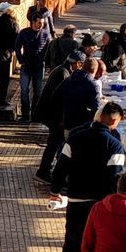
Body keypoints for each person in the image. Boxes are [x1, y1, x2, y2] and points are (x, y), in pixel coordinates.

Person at [51, 100, 126, 252]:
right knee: (95, 246)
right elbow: (115, 177)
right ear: (114, 121)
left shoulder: (75, 137)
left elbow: (60, 167)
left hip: (75, 199)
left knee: (72, 241)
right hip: (100, 204)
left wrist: (55, 190)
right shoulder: (115, 145)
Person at [34, 50, 84, 181]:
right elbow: (59, 99)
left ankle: (47, 169)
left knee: (55, 142)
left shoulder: (63, 70)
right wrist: (61, 119)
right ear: (77, 63)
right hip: (53, 115)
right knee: (54, 142)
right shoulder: (63, 73)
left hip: (52, 114)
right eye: (80, 65)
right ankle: (44, 170)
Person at [14, 13, 50, 123]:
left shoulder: (45, 34)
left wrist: (46, 62)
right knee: (24, 90)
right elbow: (17, 46)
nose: (41, 25)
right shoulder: (24, 33)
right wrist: (21, 59)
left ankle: (35, 114)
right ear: (33, 22)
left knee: (38, 91)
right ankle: (26, 115)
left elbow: (49, 49)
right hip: (26, 65)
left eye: (43, 23)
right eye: (39, 23)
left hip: (39, 66)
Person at [60, 56, 102, 133]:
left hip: (67, 123)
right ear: (95, 70)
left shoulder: (68, 79)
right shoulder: (92, 85)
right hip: (83, 126)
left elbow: (56, 96)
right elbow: (96, 109)